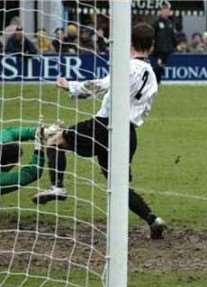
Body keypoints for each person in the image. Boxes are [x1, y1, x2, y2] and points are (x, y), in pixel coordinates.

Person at [32, 23, 167, 240]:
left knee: (54, 140)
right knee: (119, 186)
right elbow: (123, 97)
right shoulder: (151, 75)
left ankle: (57, 187)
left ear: (130, 43)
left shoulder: (128, 66)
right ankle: (153, 220)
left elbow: (103, 85)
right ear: (151, 47)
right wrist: (82, 94)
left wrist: (70, 86)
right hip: (128, 132)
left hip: (105, 126)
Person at [0, 126, 47, 195]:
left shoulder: (2, 139)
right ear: (8, 163)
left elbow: (10, 133)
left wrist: (36, 132)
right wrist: (39, 149)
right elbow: (31, 174)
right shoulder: (2, 180)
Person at [152, 3, 176, 83]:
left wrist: (175, 46)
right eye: (164, 10)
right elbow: (153, 36)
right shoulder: (157, 23)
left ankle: (157, 80)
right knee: (159, 64)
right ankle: (155, 80)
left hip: (169, 49)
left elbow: (173, 36)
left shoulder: (170, 23)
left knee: (162, 66)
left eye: (167, 10)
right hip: (159, 49)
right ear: (161, 11)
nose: (166, 12)